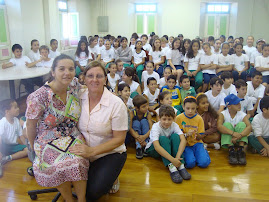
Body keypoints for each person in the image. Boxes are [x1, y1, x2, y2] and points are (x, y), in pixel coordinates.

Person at [26, 54, 89, 202]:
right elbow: (30, 125)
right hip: (47, 139)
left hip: (72, 134)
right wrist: (32, 146)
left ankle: (81, 199)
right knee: (57, 165)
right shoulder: (39, 97)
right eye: (62, 69)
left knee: (78, 161)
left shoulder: (73, 85)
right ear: (53, 72)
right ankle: (69, 199)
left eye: (71, 69)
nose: (67, 72)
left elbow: (85, 89)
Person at [69, 60, 128, 200]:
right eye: (90, 76)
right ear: (84, 78)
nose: (94, 80)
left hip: (109, 153)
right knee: (74, 184)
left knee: (91, 193)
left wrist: (92, 151)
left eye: (99, 76)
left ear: (105, 79)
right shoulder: (78, 96)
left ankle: (113, 176)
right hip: (84, 150)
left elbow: (119, 139)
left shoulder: (116, 104)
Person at [145, 105, 191, 183]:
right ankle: (172, 168)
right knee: (163, 139)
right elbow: (156, 147)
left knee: (176, 136)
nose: (166, 122)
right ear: (159, 118)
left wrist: (177, 157)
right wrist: (173, 160)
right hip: (153, 150)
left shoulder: (174, 125)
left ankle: (180, 165)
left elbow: (183, 140)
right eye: (164, 119)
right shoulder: (155, 127)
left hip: (167, 148)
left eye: (169, 119)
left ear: (173, 119)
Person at [175, 96, 211, 169]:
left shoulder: (199, 119)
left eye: (193, 108)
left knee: (204, 163)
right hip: (186, 145)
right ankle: (194, 155)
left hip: (197, 143)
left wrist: (197, 134)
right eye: (188, 108)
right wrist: (186, 134)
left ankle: (204, 151)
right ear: (183, 107)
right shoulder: (179, 118)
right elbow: (178, 136)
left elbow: (201, 136)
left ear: (196, 107)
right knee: (190, 164)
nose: (190, 111)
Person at [217, 94, 252, 165]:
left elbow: (249, 127)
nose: (239, 105)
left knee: (242, 124)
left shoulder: (242, 114)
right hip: (230, 138)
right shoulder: (223, 114)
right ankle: (231, 149)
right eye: (236, 104)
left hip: (239, 138)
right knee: (226, 125)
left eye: (239, 103)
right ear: (229, 106)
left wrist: (240, 135)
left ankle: (241, 149)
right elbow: (219, 126)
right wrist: (233, 133)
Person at [0, 99, 28, 177]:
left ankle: (7, 158)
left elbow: (21, 135)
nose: (18, 109)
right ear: (7, 111)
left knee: (27, 150)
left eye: (17, 107)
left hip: (14, 146)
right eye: (15, 107)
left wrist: (26, 145)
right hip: (4, 146)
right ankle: (2, 157)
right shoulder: (3, 122)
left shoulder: (16, 120)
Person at [129, 95, 152, 159]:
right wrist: (138, 137)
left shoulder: (148, 114)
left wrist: (144, 137)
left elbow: (152, 128)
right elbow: (130, 128)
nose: (147, 107)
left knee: (144, 121)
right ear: (137, 108)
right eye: (143, 107)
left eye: (147, 105)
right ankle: (138, 147)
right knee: (136, 122)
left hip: (145, 135)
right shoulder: (132, 113)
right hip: (136, 135)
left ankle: (146, 145)